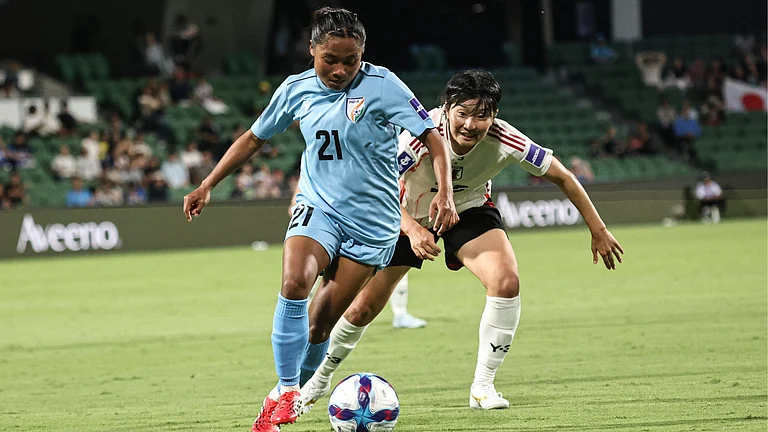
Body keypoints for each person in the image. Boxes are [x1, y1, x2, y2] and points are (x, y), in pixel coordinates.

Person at [181, 8, 458, 432]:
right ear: (312, 50)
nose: (341, 69)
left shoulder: (385, 86)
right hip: (318, 206)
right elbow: (254, 137)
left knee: (320, 323)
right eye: (331, 59)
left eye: (351, 59)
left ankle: (280, 393)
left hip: (373, 221)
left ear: (363, 52)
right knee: (294, 283)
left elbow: (432, 137)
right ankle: (290, 390)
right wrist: (208, 183)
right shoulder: (295, 89)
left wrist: (445, 191)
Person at [299, 69, 624, 414]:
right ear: (447, 109)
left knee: (506, 281)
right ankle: (318, 381)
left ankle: (483, 386)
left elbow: (564, 176)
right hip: (401, 212)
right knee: (361, 308)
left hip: (467, 208)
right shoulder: (416, 135)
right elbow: (376, 191)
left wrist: (598, 229)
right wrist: (412, 230)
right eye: (463, 113)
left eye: (481, 116)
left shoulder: (505, 138)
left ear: (494, 116)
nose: (471, 124)